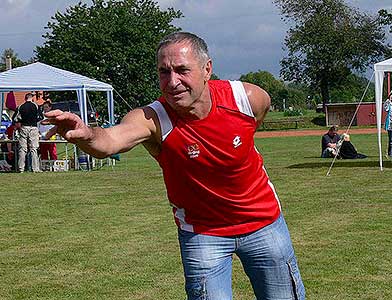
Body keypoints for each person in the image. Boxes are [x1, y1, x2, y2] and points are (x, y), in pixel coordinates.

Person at [44, 32, 305, 299]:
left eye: (181, 70)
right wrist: (88, 134)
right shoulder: (152, 119)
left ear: (207, 69)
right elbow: (110, 141)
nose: (172, 82)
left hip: (264, 224)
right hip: (203, 235)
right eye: (164, 72)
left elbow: (255, 122)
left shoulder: (247, 98)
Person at [14, 92, 43, 172]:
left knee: (22, 148)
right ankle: (35, 168)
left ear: (25, 98)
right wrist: (34, 120)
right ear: (32, 98)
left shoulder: (20, 106)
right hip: (33, 128)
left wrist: (21, 120)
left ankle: (21, 168)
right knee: (34, 148)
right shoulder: (36, 106)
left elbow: (15, 118)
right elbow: (40, 117)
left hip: (24, 127)